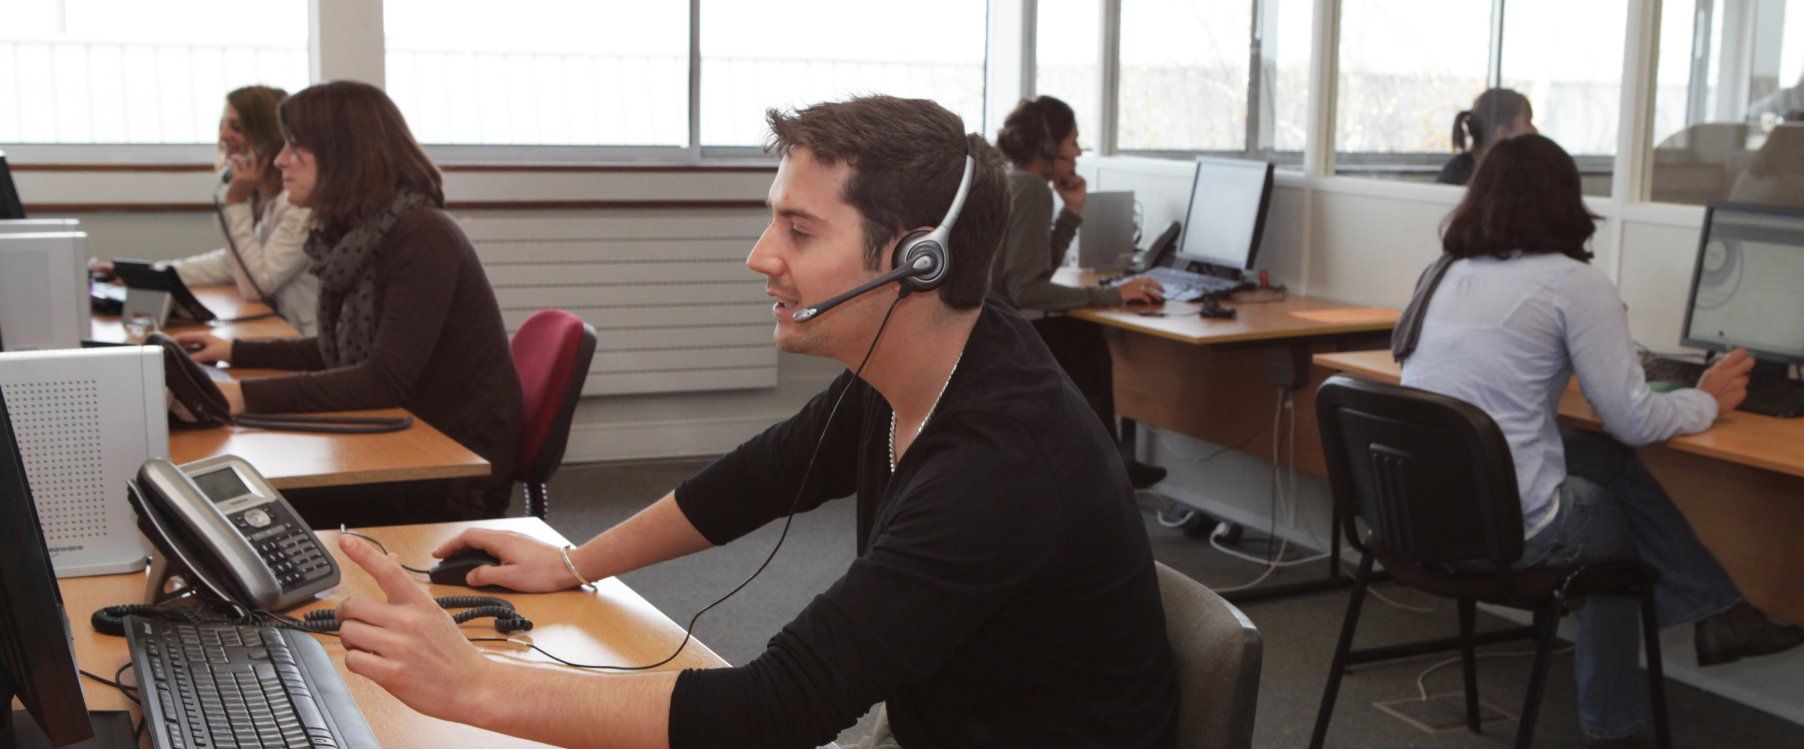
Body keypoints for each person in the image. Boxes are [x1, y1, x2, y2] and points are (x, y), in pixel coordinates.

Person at [325, 95, 1179, 748]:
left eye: (798, 231)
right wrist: (573, 562)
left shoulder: (999, 462)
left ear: (918, 259)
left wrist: (474, 686)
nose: (760, 255)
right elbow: (754, 480)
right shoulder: (926, 365)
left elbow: (779, 707)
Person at [1399, 134, 1804, 745]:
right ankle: (1617, 720)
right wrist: (1707, 398)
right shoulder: (1572, 283)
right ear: (1567, 201)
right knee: (1617, 530)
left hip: (1415, 519)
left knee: (1599, 457)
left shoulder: (1441, 273)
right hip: (1500, 533)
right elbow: (1634, 420)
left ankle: (1723, 613)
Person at [176, 81, 521, 526]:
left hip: (447, 466)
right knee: (231, 500)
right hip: (399, 436)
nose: (280, 160)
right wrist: (234, 352)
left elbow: (382, 378)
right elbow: (339, 349)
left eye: (296, 147)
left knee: (237, 511)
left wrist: (243, 395)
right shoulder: (357, 233)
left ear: (343, 155)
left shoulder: (423, 237)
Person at [987, 95, 1167, 488]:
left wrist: (1071, 211)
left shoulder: (1011, 180)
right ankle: (1108, 467)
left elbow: (1032, 270)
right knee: (1083, 338)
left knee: (1076, 335)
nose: (1078, 152)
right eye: (1073, 142)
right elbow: (1027, 289)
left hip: (983, 325)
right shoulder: (1032, 189)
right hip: (995, 336)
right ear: (1049, 147)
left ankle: (1104, 464)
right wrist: (1114, 295)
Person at [137, 85, 323, 335]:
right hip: (278, 332)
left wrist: (236, 202)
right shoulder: (266, 198)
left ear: (269, 137)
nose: (224, 135)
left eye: (236, 127)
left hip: (303, 338)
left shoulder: (300, 207)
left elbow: (257, 284)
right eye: (223, 125)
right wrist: (153, 273)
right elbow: (232, 264)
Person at [1436, 88, 1534, 185]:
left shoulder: (1520, 169)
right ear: (1502, 132)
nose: (1534, 130)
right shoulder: (1458, 171)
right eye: (1528, 122)